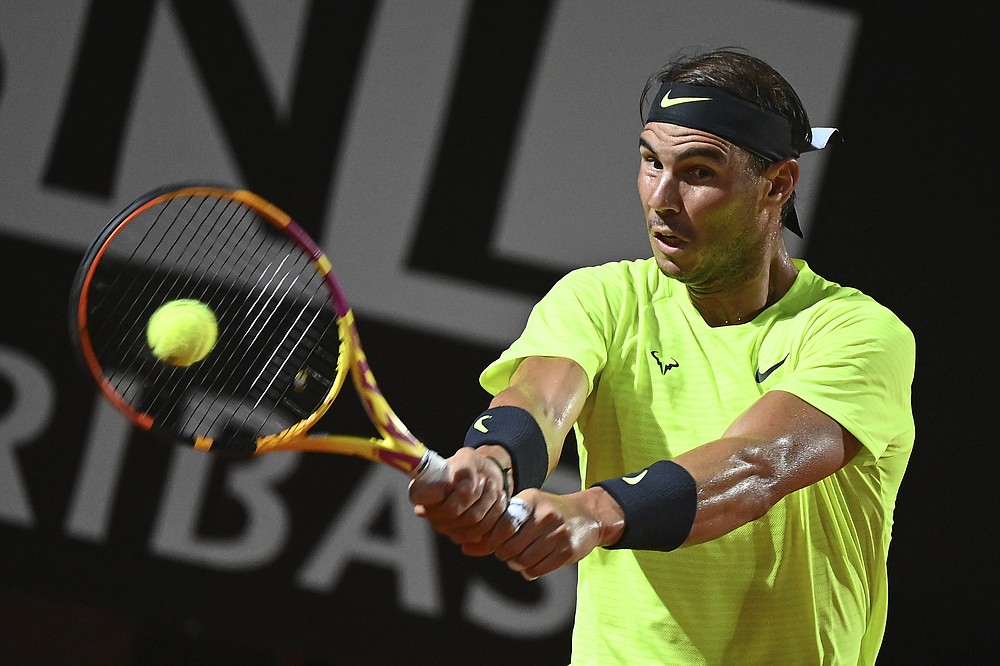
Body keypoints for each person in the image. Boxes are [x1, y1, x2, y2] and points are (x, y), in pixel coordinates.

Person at [408, 47, 915, 665]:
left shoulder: (856, 333)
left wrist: (595, 511)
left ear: (778, 184)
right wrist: (493, 462)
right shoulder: (600, 299)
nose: (661, 198)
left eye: (699, 171)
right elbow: (537, 399)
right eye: (651, 162)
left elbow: (758, 465)